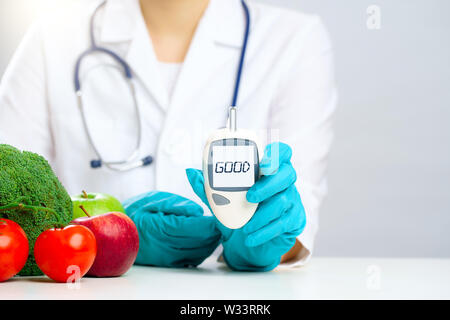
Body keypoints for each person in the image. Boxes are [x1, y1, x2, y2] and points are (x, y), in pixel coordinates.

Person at [0, 0, 337, 271]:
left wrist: (267, 238)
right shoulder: (52, 37)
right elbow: (9, 207)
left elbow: (296, 223)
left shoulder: (296, 40)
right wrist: (112, 234)